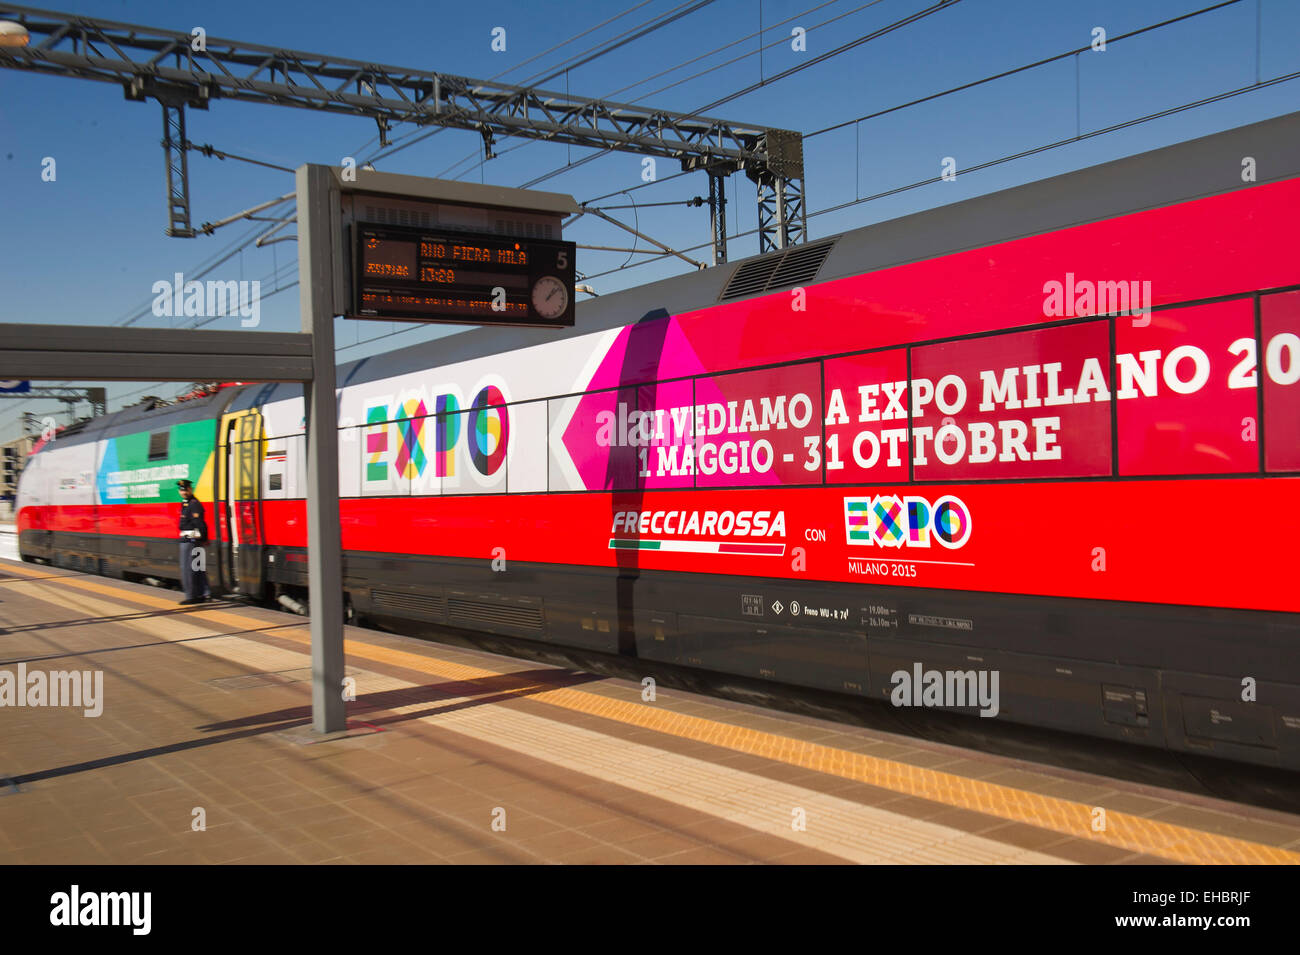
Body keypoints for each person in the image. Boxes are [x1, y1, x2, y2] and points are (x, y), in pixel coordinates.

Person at [176, 479, 211, 605]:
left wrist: (204, 538)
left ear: (190, 489)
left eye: (185, 489)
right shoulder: (186, 503)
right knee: (198, 568)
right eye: (181, 490)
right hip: (193, 540)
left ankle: (191, 596)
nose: (183, 492)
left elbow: (199, 523)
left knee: (188, 568)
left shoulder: (193, 504)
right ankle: (203, 594)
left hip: (190, 541)